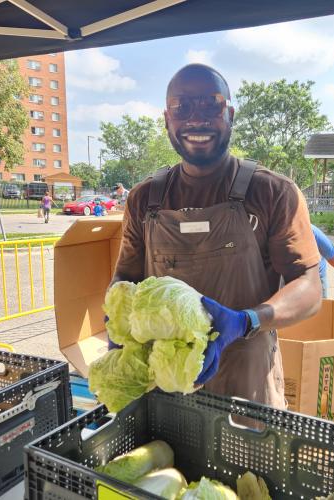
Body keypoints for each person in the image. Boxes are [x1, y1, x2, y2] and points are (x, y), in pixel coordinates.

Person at [111, 64, 322, 410]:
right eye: (183, 107)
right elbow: (125, 279)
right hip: (166, 385)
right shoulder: (143, 199)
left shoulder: (272, 192)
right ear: (167, 119)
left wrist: (247, 321)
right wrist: (119, 332)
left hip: (248, 388)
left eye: (212, 105)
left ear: (231, 115)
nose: (197, 119)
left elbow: (311, 289)